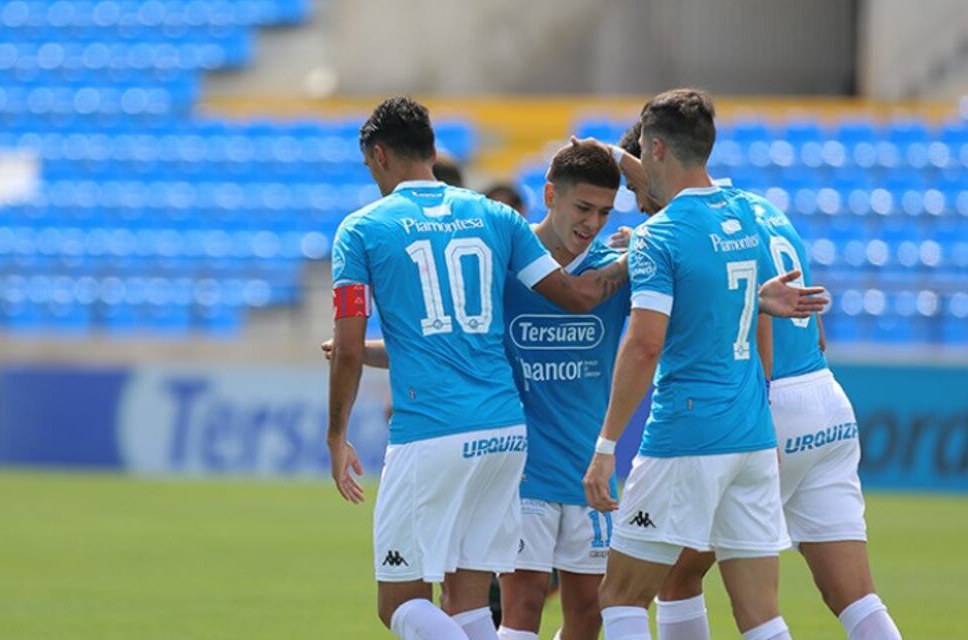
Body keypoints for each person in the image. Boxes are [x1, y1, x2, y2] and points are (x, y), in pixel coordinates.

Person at [327, 96, 629, 640]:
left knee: (397, 603)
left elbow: (349, 348)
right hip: (504, 433)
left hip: (431, 429)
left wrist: (336, 435)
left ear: (379, 155)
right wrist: (649, 250)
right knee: (467, 607)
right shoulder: (496, 216)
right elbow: (577, 294)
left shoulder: (361, 229)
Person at [581, 88, 827, 640]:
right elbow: (747, 307)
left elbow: (644, 346)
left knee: (620, 596)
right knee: (761, 613)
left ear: (658, 147)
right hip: (750, 434)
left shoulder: (657, 237)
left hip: (687, 434)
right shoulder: (745, 212)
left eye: (642, 147)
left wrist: (604, 448)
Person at [652, 194, 903, 640]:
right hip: (825, 400)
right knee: (856, 595)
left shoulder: (690, 232)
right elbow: (819, 328)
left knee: (676, 578)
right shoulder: (766, 211)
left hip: (766, 407)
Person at [495, 143, 628, 640]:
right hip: (522, 469)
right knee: (523, 605)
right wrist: (363, 349)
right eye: (583, 208)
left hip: (588, 471)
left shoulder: (621, 265)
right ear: (551, 194)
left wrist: (761, 300)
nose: (592, 223)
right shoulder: (504, 264)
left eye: (604, 212)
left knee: (589, 614)